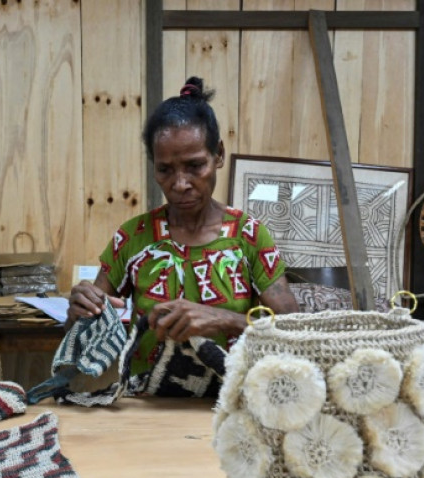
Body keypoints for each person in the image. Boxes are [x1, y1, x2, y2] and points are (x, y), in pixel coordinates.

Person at [67, 76, 299, 375]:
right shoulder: (133, 238)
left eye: (194, 166)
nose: (180, 184)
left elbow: (293, 333)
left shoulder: (248, 236)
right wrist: (77, 314)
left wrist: (225, 319)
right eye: (165, 170)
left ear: (219, 155)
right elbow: (84, 337)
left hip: (232, 402)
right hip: (148, 407)